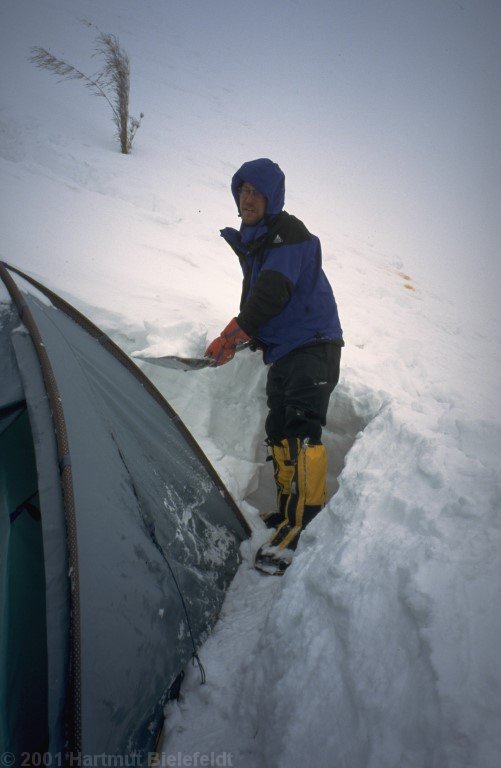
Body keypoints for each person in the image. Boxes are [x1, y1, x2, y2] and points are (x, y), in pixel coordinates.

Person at [204, 158, 343, 574]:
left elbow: (273, 291)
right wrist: (253, 337)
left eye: (256, 193)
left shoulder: (289, 235)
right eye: (243, 191)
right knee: (280, 431)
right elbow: (261, 298)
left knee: (301, 432)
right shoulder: (258, 241)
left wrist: (235, 333)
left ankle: (303, 527)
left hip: (313, 345)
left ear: (272, 198)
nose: (247, 199)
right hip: (285, 350)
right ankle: (287, 514)